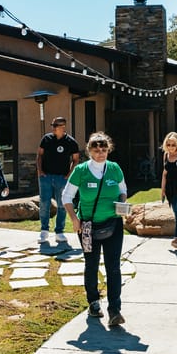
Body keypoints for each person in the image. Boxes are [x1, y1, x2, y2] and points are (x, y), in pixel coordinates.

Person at [62, 132, 128, 326]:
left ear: (109, 150)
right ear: (89, 150)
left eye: (104, 149)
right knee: (91, 265)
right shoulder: (81, 171)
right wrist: (74, 219)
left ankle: (115, 309)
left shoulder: (114, 168)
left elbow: (123, 190)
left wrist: (122, 204)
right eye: (96, 149)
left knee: (113, 267)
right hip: (88, 226)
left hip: (113, 223)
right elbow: (66, 197)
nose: (101, 153)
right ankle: (93, 303)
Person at [36, 116, 80, 244]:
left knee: (62, 205)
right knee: (44, 203)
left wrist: (69, 174)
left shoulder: (71, 142)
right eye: (52, 125)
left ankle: (59, 232)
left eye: (56, 125)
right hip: (45, 177)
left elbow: (76, 159)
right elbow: (39, 155)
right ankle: (44, 231)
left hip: (62, 178)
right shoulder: (46, 139)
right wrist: (40, 171)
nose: (53, 128)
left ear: (63, 126)